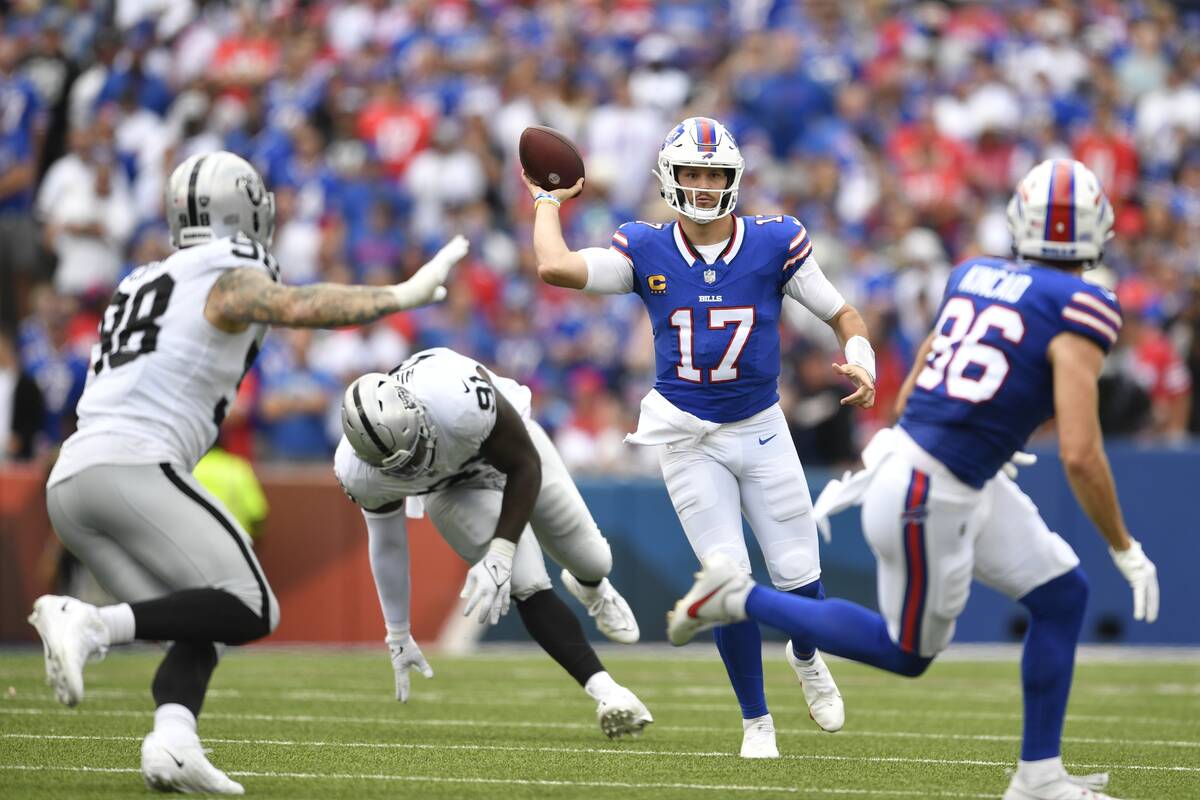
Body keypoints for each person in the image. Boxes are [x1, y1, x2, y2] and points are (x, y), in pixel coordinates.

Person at [666, 159, 1161, 800]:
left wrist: (976, 441)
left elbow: (917, 388)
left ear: (1019, 222)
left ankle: (1038, 777)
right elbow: (1081, 454)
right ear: (1097, 231)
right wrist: (1123, 544)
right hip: (934, 487)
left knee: (1062, 594)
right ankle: (737, 599)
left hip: (935, 466)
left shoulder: (974, 273)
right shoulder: (1086, 305)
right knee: (907, 653)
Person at [27, 151, 469, 795]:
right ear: (241, 208)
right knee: (251, 605)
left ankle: (172, 745)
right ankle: (90, 623)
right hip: (133, 462)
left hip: (74, 480)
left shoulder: (143, 278)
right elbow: (293, 306)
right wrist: (400, 295)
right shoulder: (225, 273)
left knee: (201, 617)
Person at [527, 116, 877, 757]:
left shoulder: (776, 241)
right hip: (686, 435)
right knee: (725, 580)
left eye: (715, 172)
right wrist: (547, 199)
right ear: (670, 177)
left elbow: (841, 312)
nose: (706, 184)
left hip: (762, 425)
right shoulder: (645, 247)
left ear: (734, 177)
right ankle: (756, 723)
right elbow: (554, 267)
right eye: (693, 172)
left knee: (802, 577)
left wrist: (862, 357)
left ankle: (806, 658)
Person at [334, 347, 651, 738]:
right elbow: (387, 544)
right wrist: (397, 632)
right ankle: (609, 693)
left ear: (417, 413)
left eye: (414, 449)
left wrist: (502, 548)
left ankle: (592, 587)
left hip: (508, 450)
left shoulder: (455, 396)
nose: (414, 465)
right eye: (400, 465)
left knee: (593, 559)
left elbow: (524, 466)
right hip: (451, 491)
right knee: (524, 583)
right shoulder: (359, 473)